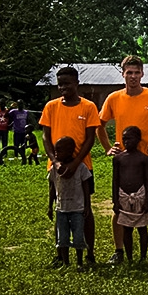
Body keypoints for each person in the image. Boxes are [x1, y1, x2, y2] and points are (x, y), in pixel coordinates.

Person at [97, 56, 148, 262]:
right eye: (129, 72)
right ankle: (119, 250)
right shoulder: (114, 98)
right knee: (119, 207)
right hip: (125, 164)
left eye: (136, 72)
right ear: (122, 74)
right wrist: (108, 148)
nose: (132, 77)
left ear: (142, 74)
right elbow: (99, 124)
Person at [40, 66, 101, 264]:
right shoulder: (51, 106)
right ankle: (61, 255)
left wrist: (76, 163)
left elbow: (90, 138)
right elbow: (45, 137)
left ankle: (89, 253)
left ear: (77, 83)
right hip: (57, 169)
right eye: (60, 84)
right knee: (61, 210)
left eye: (67, 83)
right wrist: (55, 161)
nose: (63, 87)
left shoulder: (88, 107)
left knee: (84, 210)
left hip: (82, 167)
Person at [111, 126, 148, 264]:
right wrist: (116, 201)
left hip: (140, 196)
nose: (126, 141)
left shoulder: (143, 159)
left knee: (142, 228)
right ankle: (129, 257)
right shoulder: (118, 159)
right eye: (124, 138)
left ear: (138, 140)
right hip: (124, 196)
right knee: (127, 229)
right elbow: (115, 180)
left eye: (129, 138)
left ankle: (143, 257)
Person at [47, 137, 90, 270]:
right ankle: (66, 263)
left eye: (59, 150)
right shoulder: (54, 169)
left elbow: (86, 187)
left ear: (70, 151)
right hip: (61, 209)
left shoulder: (81, 167)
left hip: (77, 209)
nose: (56, 154)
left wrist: (87, 205)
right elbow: (52, 188)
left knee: (78, 237)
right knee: (62, 238)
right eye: (55, 150)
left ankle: (79, 263)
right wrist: (50, 206)